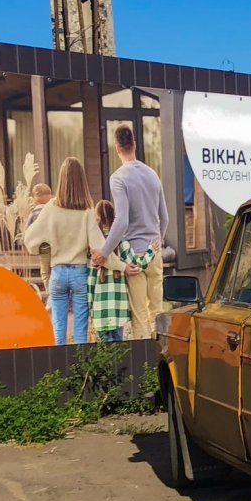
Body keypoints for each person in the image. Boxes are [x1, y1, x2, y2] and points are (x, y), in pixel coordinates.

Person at [93, 125, 168, 340]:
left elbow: (122, 220)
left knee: (140, 316)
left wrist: (105, 252)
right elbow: (166, 218)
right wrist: (158, 242)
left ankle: (145, 368)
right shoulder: (153, 175)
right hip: (154, 252)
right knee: (157, 312)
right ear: (134, 145)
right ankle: (162, 362)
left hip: (134, 256)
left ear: (117, 149)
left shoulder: (118, 178)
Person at [24, 158, 107, 345]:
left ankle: (59, 371)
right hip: (79, 273)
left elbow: (30, 241)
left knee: (58, 330)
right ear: (82, 181)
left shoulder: (50, 208)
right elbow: (99, 248)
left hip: (58, 273)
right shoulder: (87, 210)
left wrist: (45, 247)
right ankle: (79, 371)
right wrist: (123, 266)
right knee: (80, 331)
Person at [89, 200, 160, 343]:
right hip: (118, 309)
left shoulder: (94, 245)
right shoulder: (121, 243)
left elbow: (90, 282)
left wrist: (91, 309)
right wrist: (151, 251)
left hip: (99, 311)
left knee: (104, 351)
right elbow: (138, 265)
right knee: (118, 349)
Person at [27, 183, 54, 295]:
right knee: (54, 269)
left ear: (35, 198)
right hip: (55, 244)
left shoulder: (34, 212)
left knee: (45, 271)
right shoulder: (53, 210)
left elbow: (28, 230)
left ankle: (50, 292)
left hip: (43, 246)